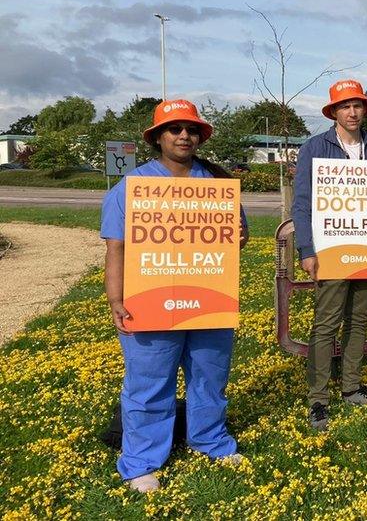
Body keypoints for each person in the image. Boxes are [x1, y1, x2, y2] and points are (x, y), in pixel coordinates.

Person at [101, 99, 247, 493]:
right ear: (158, 138)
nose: (184, 136)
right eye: (175, 129)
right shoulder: (131, 189)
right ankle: (141, 461)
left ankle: (210, 441)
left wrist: (237, 232)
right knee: (149, 383)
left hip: (208, 299)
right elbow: (116, 248)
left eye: (191, 129)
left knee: (209, 379)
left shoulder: (217, 185)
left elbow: (238, 240)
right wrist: (116, 299)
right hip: (149, 301)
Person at [292, 79, 367, 431]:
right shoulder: (314, 147)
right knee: (326, 324)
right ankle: (318, 398)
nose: (352, 112)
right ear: (334, 112)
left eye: (357, 106)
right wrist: (307, 250)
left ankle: (353, 387)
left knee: (359, 320)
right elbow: (302, 203)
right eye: (345, 106)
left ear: (365, 110)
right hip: (330, 250)